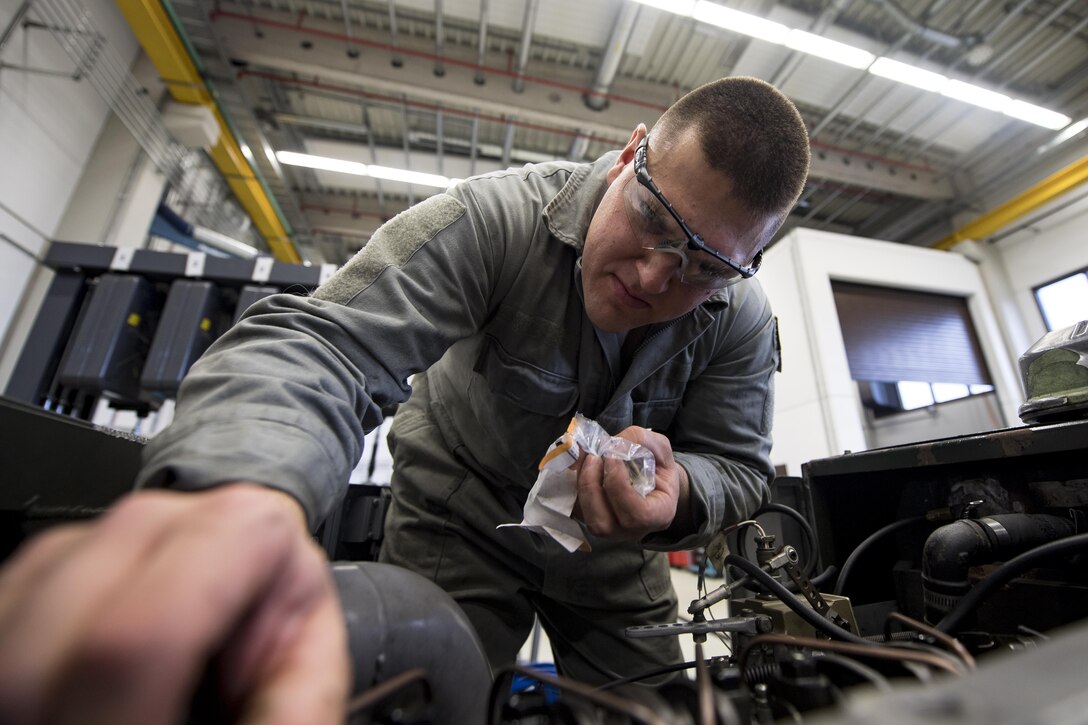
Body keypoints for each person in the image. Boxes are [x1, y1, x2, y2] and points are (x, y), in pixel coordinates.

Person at [0, 76, 809, 723]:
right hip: (458, 515)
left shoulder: (739, 317)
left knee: (677, 710)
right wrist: (235, 499)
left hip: (610, 556)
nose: (654, 275)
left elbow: (737, 467)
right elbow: (328, 346)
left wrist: (678, 497)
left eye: (705, 265)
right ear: (632, 154)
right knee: (421, 695)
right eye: (655, 220)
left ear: (750, 264)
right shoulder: (498, 221)